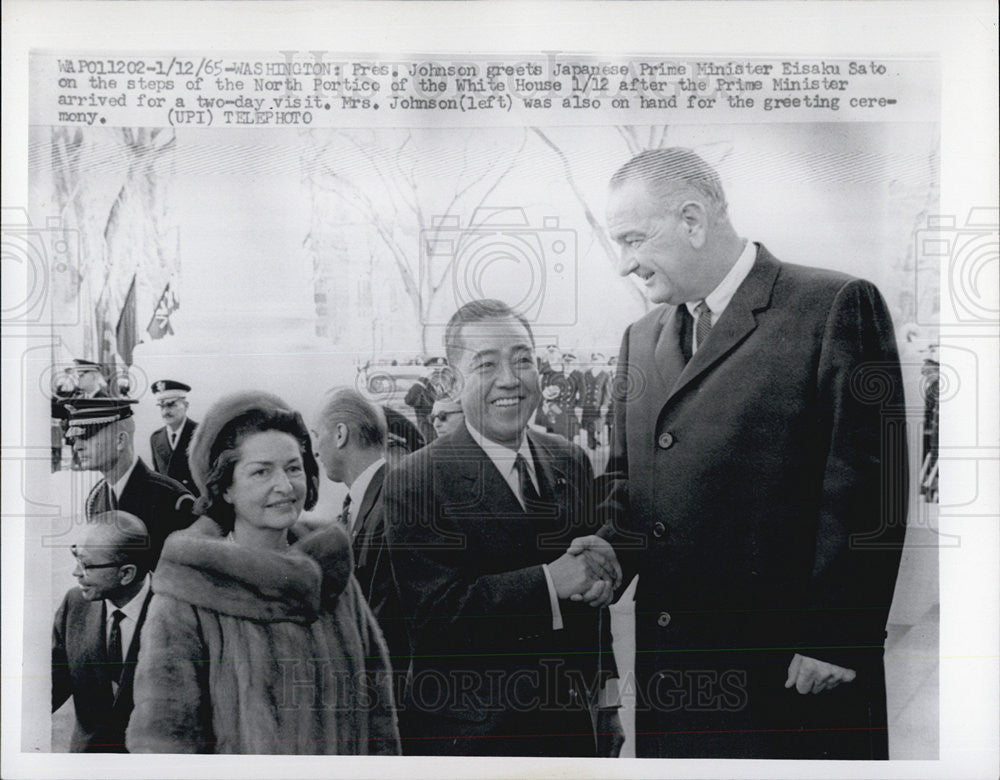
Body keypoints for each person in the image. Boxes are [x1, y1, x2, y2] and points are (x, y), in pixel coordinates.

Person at [600, 148, 908, 759]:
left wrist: (835, 637)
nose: (624, 264)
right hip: (675, 683)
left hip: (789, 680)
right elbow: (627, 483)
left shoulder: (834, 306)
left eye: (634, 239)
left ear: (692, 220)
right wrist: (605, 554)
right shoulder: (640, 338)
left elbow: (871, 485)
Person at [385, 299, 624, 758]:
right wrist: (549, 583)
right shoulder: (417, 479)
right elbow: (435, 621)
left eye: (523, 360)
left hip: (574, 733)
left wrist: (607, 696)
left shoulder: (568, 460)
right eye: (486, 365)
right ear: (452, 382)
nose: (510, 380)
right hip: (476, 742)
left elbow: (590, 597)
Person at [125, 391, 400, 754]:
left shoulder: (331, 573)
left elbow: (378, 718)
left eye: (293, 467)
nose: (284, 487)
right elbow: (164, 748)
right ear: (224, 487)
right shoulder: (188, 593)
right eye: (261, 471)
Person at [313, 389, 408, 666]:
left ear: (340, 434)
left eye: (317, 435)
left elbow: (387, 616)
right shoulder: (360, 501)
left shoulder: (393, 500)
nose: (316, 450)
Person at [52, 511, 154, 752]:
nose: (76, 573)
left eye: (87, 565)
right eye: (76, 557)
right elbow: (50, 686)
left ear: (126, 573)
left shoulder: (178, 614)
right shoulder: (74, 604)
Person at [61, 397, 197, 566]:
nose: (77, 446)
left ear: (120, 441)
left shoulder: (171, 499)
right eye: (75, 439)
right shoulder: (95, 500)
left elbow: (189, 575)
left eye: (88, 435)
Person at [149, 380, 199, 495]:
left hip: (195, 502)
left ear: (186, 406)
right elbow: (159, 479)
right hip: (168, 504)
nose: (165, 411)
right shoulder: (155, 438)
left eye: (171, 405)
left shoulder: (200, 434)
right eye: (161, 406)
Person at [579, 353, 611, 450]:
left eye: (599, 360)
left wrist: (604, 405)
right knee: (589, 424)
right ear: (592, 361)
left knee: (598, 424)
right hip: (587, 404)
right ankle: (591, 444)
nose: (596, 361)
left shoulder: (605, 374)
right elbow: (582, 389)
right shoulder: (586, 373)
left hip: (598, 404)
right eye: (595, 359)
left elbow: (607, 391)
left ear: (602, 362)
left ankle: (596, 439)